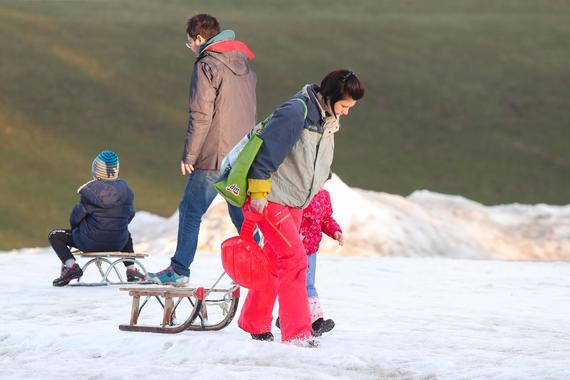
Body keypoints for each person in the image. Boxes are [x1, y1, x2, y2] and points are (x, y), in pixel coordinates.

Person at [237, 69, 365, 345]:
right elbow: (266, 152)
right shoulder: (296, 112)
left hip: (295, 202)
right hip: (271, 198)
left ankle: (254, 323)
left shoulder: (325, 120)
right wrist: (258, 191)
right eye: (344, 105)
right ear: (330, 97)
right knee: (295, 261)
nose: (346, 112)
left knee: (274, 261)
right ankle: (297, 334)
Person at [147, 14, 257, 286]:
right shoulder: (243, 64)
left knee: (191, 209)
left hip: (214, 155)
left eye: (189, 44)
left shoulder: (207, 65)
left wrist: (190, 154)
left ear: (199, 39)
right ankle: (261, 265)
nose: (191, 49)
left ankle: (179, 269)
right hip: (243, 153)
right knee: (239, 212)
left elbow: (201, 114)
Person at [49, 150, 141, 286]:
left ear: (96, 170)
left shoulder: (91, 192)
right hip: (118, 243)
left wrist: (77, 230)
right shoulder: (126, 191)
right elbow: (130, 215)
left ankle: (71, 267)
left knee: (55, 236)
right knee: (125, 232)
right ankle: (131, 270)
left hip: (90, 242)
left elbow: (76, 217)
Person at [275, 181, 342, 334]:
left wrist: (335, 231)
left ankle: (289, 317)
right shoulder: (298, 191)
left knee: (307, 284)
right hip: (294, 248)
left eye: (323, 180)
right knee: (305, 284)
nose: (320, 183)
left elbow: (325, 219)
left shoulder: (324, 196)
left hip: (311, 249)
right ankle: (315, 321)